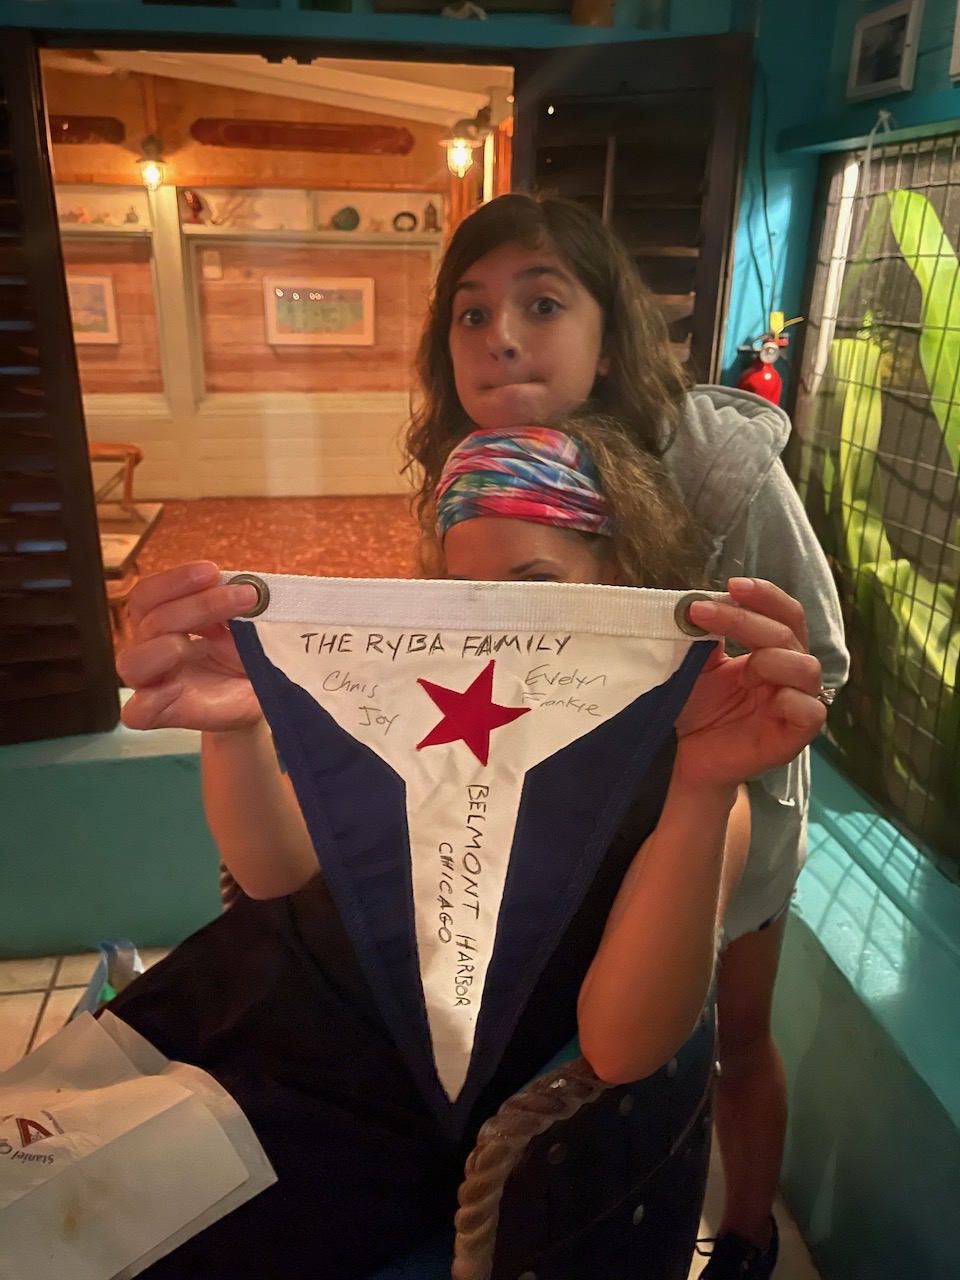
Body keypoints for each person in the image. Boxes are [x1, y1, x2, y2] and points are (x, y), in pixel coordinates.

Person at [114, 421, 827, 1278]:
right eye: (464, 592)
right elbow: (275, 874)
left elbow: (622, 1049)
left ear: (624, 576)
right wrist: (237, 730)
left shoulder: (679, 770)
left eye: (536, 585)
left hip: (374, 1114)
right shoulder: (414, 700)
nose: (496, 627)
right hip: (243, 1008)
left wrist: (704, 789)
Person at [403, 193, 851, 1279]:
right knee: (599, 1049)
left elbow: (825, 662)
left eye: (543, 303)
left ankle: (745, 1234)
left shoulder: (717, 466)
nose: (502, 337)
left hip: (729, 805)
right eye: (472, 314)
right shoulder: (477, 465)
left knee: (730, 1034)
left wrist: (728, 726)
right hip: (570, 809)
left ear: (608, 337)